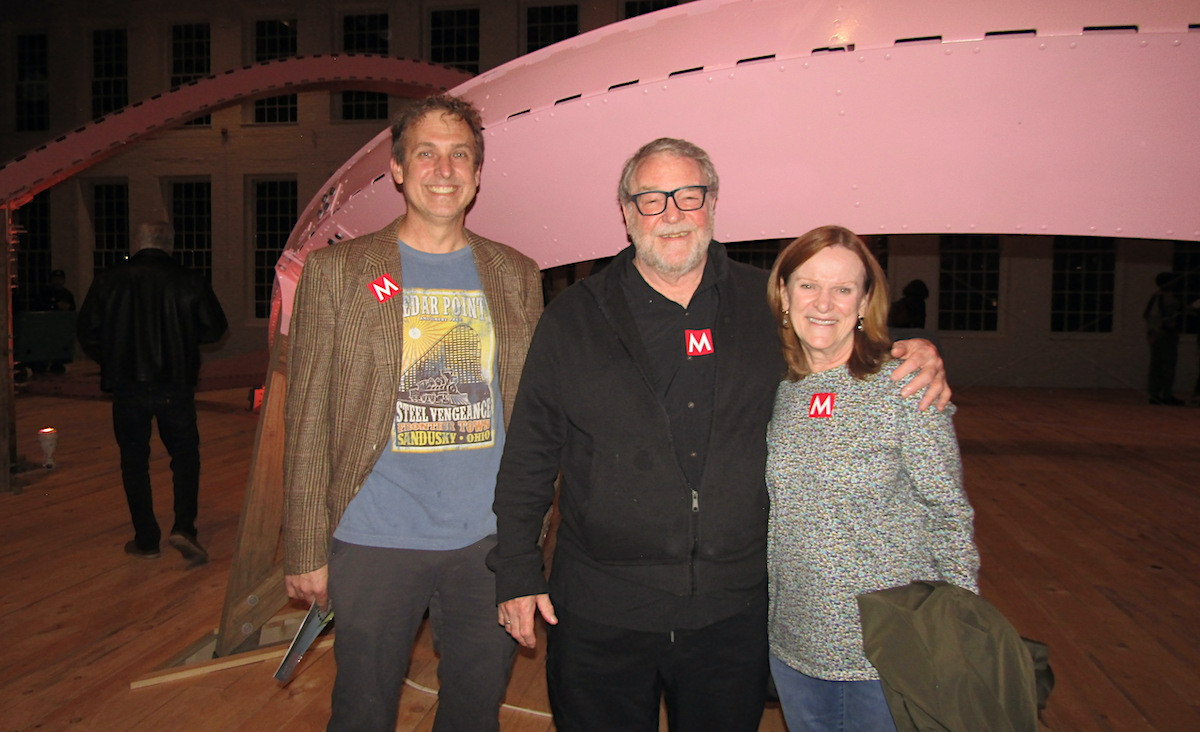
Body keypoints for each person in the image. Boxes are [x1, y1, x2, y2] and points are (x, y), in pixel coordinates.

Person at [488, 137, 949, 732]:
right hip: (603, 609)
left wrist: (913, 351)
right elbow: (529, 453)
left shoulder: (769, 307)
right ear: (626, 214)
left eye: (688, 195)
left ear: (713, 204)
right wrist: (518, 569)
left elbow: (842, 338)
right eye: (651, 199)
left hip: (732, 613)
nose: (672, 213)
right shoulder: (573, 318)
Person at [282, 94, 543, 732]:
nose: (444, 169)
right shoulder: (339, 273)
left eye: (460, 155)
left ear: (478, 174)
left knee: (474, 712)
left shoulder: (515, 274)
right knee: (363, 711)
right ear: (398, 169)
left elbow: (536, 416)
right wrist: (306, 544)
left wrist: (528, 547)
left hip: (487, 545)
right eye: (426, 153)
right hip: (374, 540)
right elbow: (308, 414)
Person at [764, 225, 979, 731]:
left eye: (843, 289)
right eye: (808, 285)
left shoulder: (903, 386)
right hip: (793, 643)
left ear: (864, 302)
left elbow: (949, 514)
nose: (824, 302)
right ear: (784, 295)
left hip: (885, 652)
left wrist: (960, 632)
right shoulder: (776, 388)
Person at [76, 221, 228, 564]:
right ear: (170, 245)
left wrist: (113, 357)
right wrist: (184, 339)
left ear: (137, 242)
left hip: (128, 386)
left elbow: (87, 331)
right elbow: (215, 328)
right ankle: (184, 527)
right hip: (175, 384)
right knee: (185, 457)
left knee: (134, 461)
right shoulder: (189, 280)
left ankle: (146, 539)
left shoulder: (109, 280)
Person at [1144, 271, 1183, 405]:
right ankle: (1166, 395)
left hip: (1154, 335)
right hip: (1165, 335)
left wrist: (1151, 332)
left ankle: (1154, 395)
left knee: (1156, 366)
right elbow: (1168, 319)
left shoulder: (1155, 297)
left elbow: (1147, 315)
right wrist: (1174, 330)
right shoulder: (1169, 299)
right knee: (1167, 366)